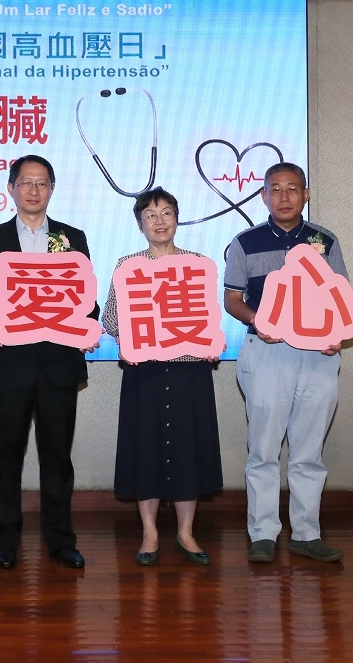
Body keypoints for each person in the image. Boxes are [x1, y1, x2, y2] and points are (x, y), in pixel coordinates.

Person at [0, 154, 98, 570]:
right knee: (7, 457)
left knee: (57, 459)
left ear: (52, 190)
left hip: (59, 365)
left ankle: (60, 540)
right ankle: (5, 540)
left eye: (41, 183)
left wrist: (87, 325)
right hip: (10, 366)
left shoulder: (71, 237)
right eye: (25, 182)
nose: (33, 190)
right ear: (11, 188)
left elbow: (86, 298)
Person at [223, 162, 349, 564]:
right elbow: (232, 299)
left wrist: (337, 335)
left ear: (305, 194)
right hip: (266, 351)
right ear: (263, 196)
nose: (283, 197)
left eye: (292, 189)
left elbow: (341, 299)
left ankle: (307, 533)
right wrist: (257, 319)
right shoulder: (245, 242)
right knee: (263, 448)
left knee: (308, 450)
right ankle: (263, 533)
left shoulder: (324, 241)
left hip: (317, 354)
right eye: (275, 189)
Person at [100, 187, 223, 566]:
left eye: (166, 212)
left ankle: (186, 533)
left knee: (188, 448)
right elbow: (110, 319)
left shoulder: (197, 264)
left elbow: (209, 317)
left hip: (189, 370)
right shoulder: (128, 266)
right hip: (145, 371)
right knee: (146, 448)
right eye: (150, 215)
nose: (159, 221)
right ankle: (150, 532)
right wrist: (126, 338)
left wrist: (212, 341)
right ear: (140, 224)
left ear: (177, 219)